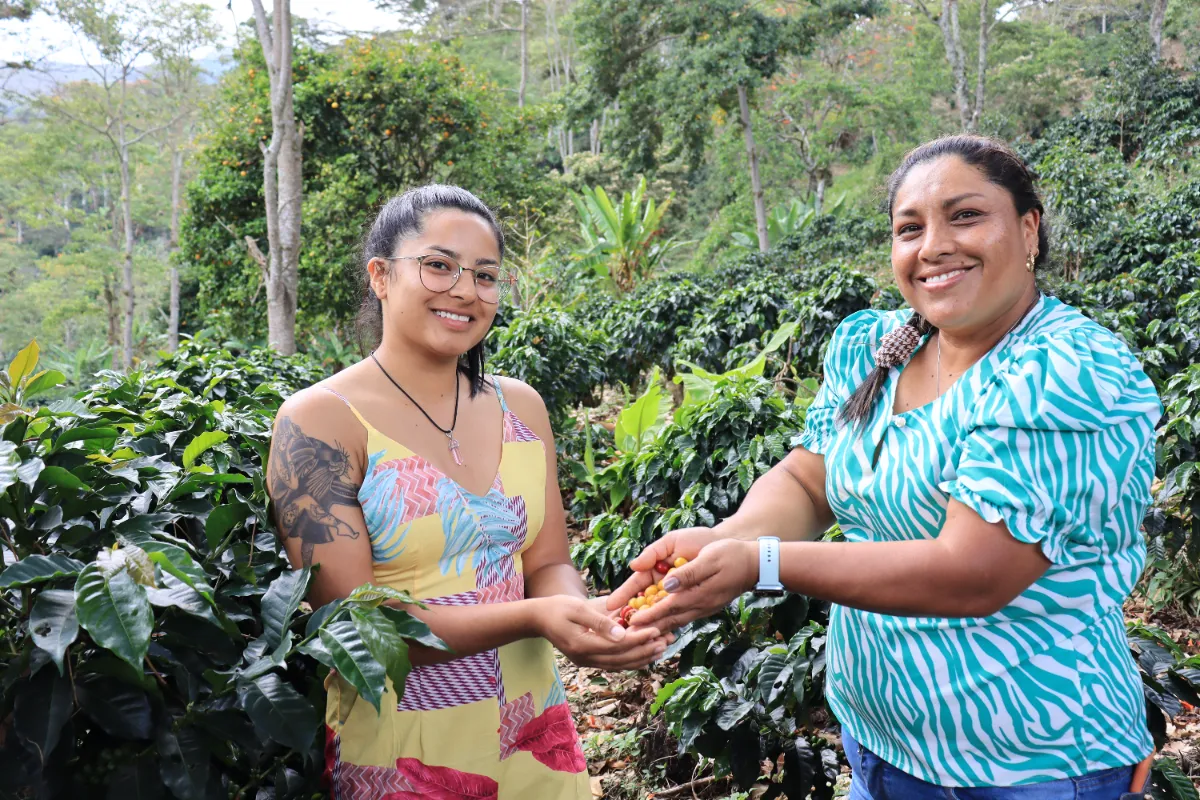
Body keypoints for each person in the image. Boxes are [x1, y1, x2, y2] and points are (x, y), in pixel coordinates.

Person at [611, 136, 1161, 799]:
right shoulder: (875, 347)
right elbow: (808, 480)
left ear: (1028, 229)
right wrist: (729, 536)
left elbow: (972, 574)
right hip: (881, 749)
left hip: (1030, 767)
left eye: (965, 216)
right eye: (910, 228)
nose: (933, 245)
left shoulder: (1063, 369)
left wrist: (761, 562)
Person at [267, 185, 668, 800]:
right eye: (438, 265)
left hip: (532, 729)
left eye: (485, 275)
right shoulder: (319, 422)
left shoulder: (522, 407)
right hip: (405, 746)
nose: (464, 290)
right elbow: (361, 629)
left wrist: (590, 618)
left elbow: (549, 562)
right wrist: (537, 616)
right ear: (380, 275)